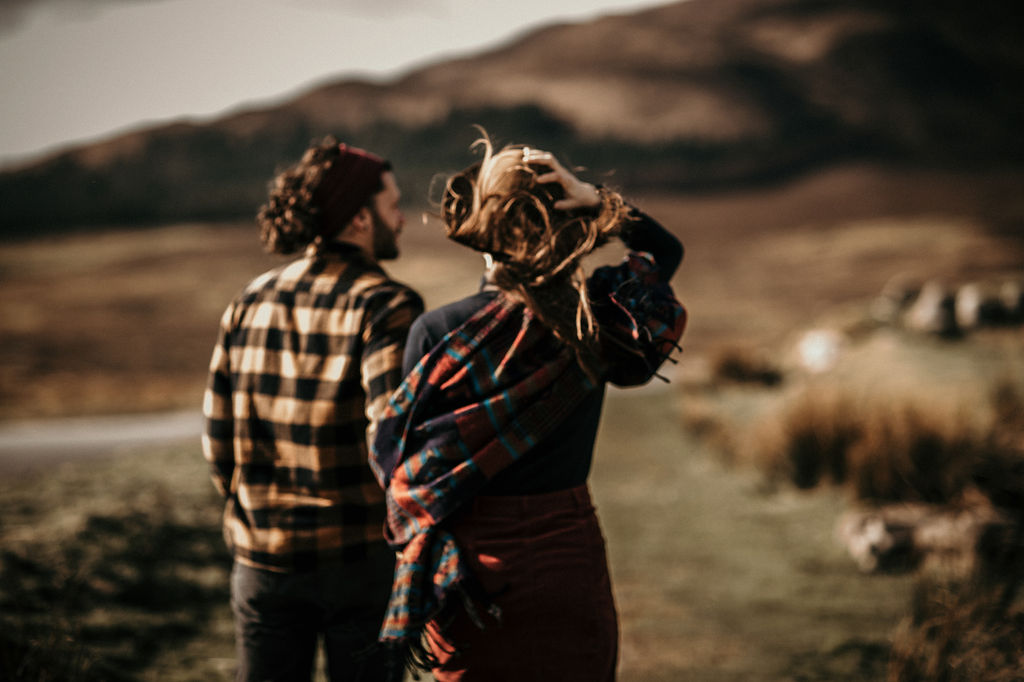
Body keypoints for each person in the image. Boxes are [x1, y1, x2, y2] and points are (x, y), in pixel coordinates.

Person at [369, 135, 686, 681]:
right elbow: (666, 255)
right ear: (563, 224)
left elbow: (401, 462)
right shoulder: (597, 323)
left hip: (470, 572)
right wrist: (595, 200)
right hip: (570, 554)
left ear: (483, 231)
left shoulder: (438, 332)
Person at [201, 137, 424, 682]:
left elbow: (217, 443)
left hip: (262, 563)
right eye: (391, 204)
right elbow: (393, 444)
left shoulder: (248, 301)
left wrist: (257, 516)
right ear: (359, 219)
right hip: (358, 563)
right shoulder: (386, 305)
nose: (401, 217)